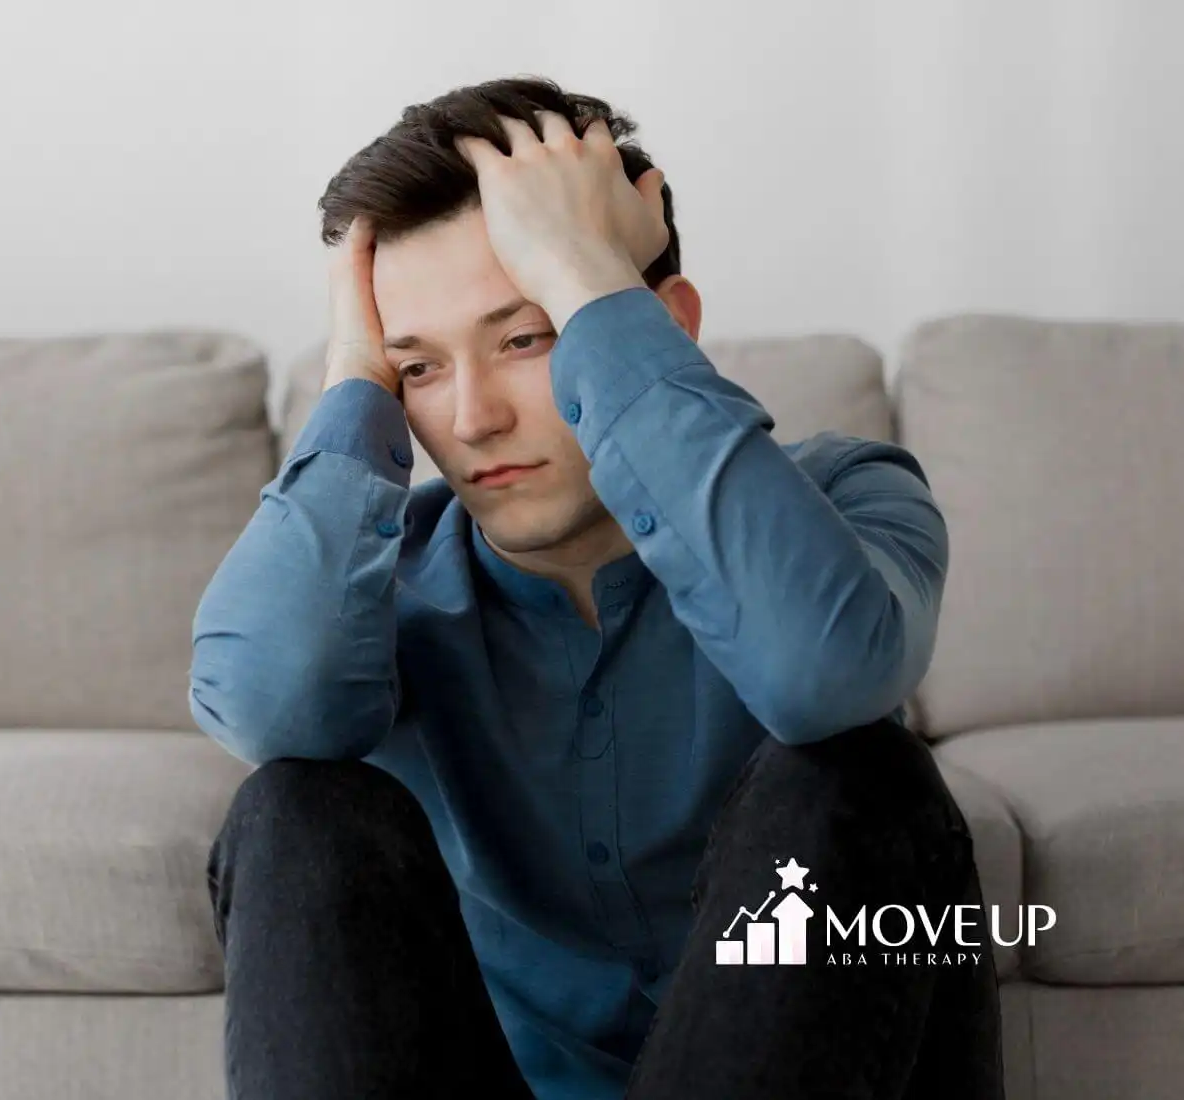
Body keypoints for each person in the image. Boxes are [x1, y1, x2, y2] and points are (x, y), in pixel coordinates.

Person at [191, 75, 1003, 1100]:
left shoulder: (849, 494)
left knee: (854, 774)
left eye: (525, 336)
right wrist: (355, 378)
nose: (474, 418)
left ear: (658, 322)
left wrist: (587, 279)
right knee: (294, 806)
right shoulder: (370, 586)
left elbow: (820, 674)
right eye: (421, 369)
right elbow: (267, 710)